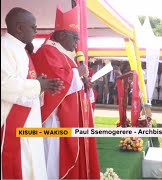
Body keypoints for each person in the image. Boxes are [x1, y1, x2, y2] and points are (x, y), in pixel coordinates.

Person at [32, 5, 100, 179]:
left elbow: (73, 82)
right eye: (74, 38)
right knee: (55, 161)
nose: (77, 44)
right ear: (62, 35)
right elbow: (59, 84)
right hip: (56, 119)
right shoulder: (48, 52)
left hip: (72, 116)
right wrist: (78, 73)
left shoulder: (66, 54)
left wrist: (86, 85)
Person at [1, 7, 63, 179]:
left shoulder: (22, 49)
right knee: (21, 166)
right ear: (19, 27)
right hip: (14, 120)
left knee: (33, 163)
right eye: (33, 27)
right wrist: (37, 85)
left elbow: (26, 81)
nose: (37, 30)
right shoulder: (4, 47)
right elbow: (4, 85)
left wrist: (43, 86)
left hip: (30, 119)